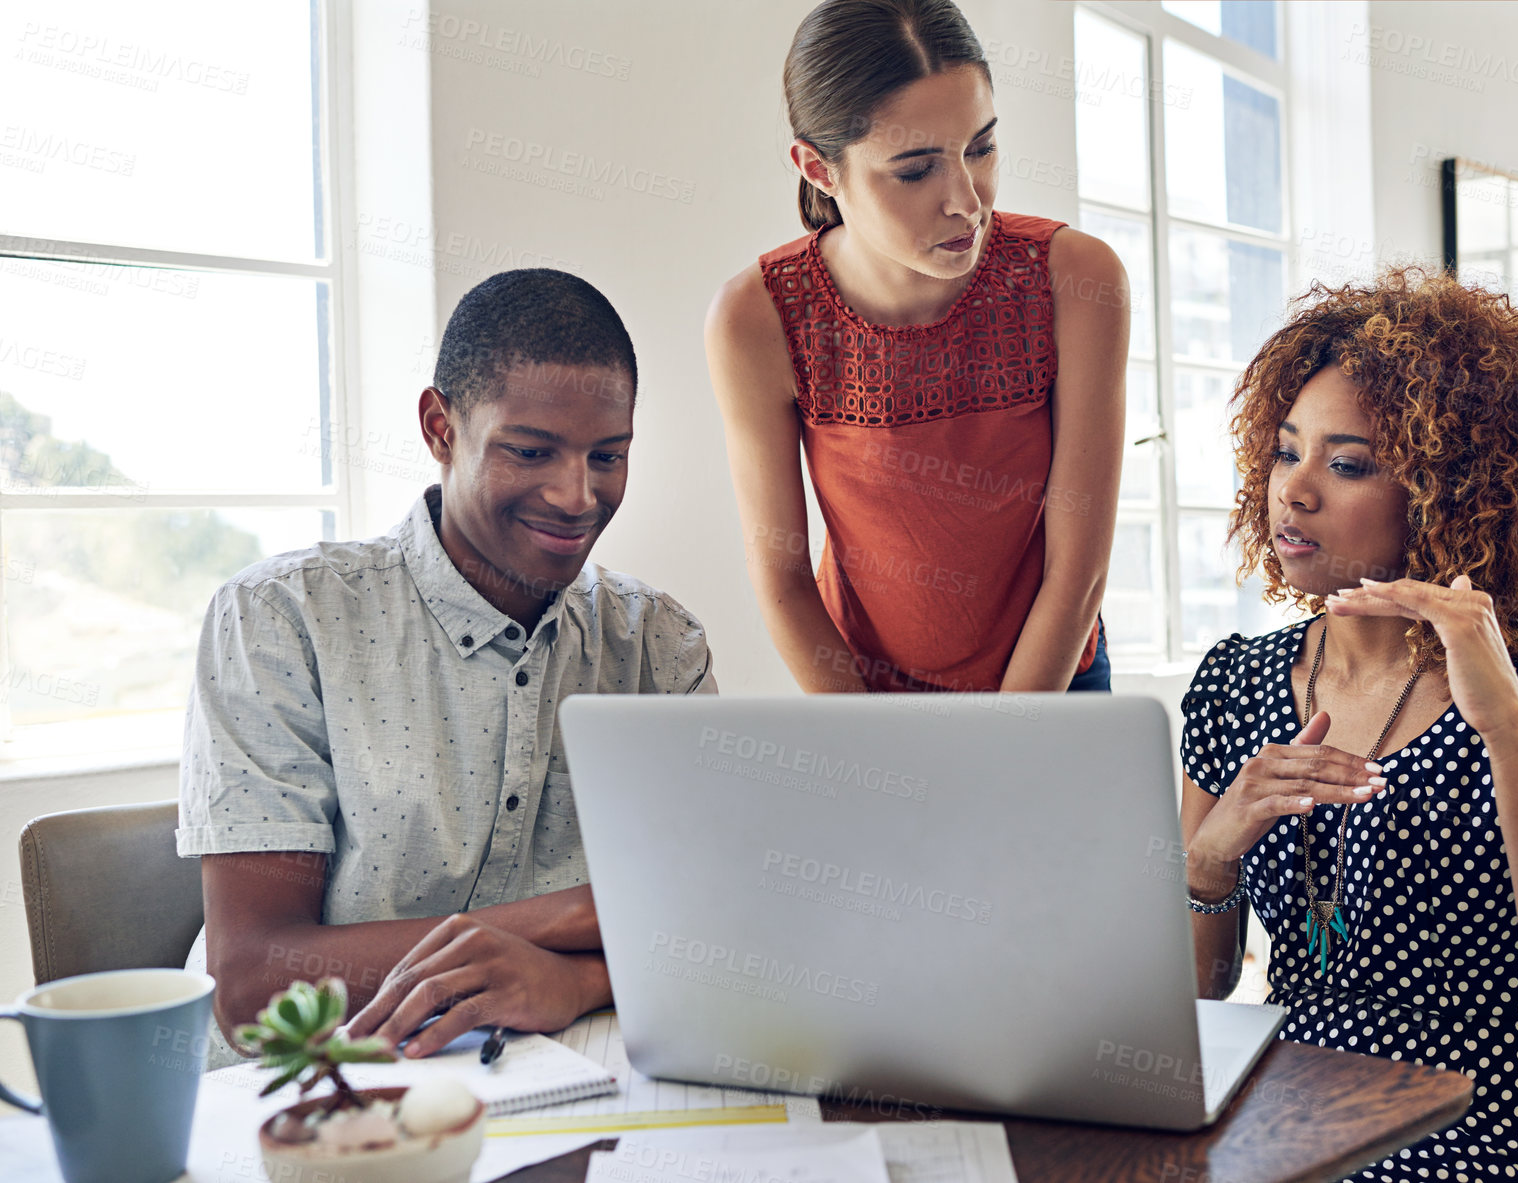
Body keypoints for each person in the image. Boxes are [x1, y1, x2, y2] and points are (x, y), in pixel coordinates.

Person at [1179, 266, 1518, 1180]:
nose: (1293, 490)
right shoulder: (1235, 685)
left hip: (1480, 1134)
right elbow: (1196, 998)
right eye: (1287, 450)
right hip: (1280, 1121)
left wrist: (1509, 730)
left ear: (1452, 492)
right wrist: (1210, 857)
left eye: (1348, 463)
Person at [177, 269, 715, 1064]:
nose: (577, 495)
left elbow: (717, 926)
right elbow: (253, 979)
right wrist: (577, 916)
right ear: (439, 427)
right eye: (532, 451)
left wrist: (572, 982)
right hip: (312, 1094)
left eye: (609, 455)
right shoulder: (282, 619)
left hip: (565, 1078)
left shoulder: (660, 643)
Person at [706, 0, 1127, 694]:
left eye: (981, 147)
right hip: (865, 702)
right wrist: (883, 750)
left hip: (1055, 684)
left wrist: (1004, 745)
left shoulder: (1078, 279)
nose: (968, 199)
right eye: (914, 170)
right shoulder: (756, 318)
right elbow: (781, 577)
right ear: (817, 168)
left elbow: (1077, 573)